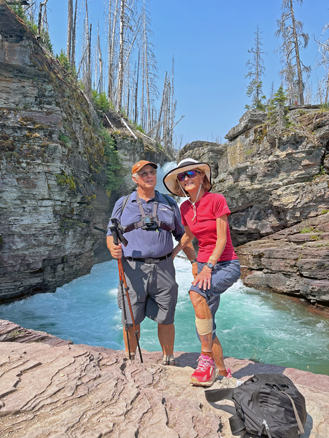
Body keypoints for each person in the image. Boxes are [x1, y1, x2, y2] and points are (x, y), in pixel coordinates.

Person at [107, 160, 196, 365]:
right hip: (132, 268)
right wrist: (112, 247)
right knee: (131, 318)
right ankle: (131, 360)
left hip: (164, 267)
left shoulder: (169, 203)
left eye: (152, 172)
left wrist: (194, 262)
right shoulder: (123, 203)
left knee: (166, 317)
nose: (149, 176)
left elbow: (183, 236)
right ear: (135, 178)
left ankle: (168, 360)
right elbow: (110, 233)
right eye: (144, 173)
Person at [163, 158, 241, 386]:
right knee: (206, 327)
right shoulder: (185, 207)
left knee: (196, 294)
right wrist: (172, 254)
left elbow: (222, 239)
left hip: (225, 264)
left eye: (191, 173)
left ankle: (205, 359)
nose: (186, 178)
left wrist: (207, 267)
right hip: (205, 267)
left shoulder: (217, 200)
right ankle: (223, 373)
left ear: (202, 177)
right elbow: (189, 236)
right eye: (182, 176)